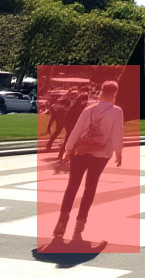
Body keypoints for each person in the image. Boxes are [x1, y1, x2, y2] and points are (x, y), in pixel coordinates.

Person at [53, 80, 124, 242]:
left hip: (81, 152)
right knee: (90, 187)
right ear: (114, 93)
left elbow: (76, 130)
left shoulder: (89, 109)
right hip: (101, 154)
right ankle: (80, 222)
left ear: (101, 91)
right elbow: (117, 133)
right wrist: (119, 153)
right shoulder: (116, 111)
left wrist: (68, 149)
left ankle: (62, 220)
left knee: (72, 185)